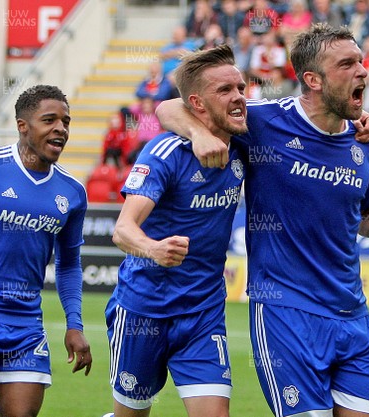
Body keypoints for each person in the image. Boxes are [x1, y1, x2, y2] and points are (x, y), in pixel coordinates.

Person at [156, 23, 369, 417]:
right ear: (312, 79)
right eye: (347, 64)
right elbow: (169, 107)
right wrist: (198, 133)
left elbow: (365, 213)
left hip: (353, 315)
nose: (363, 72)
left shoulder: (362, 142)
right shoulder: (263, 122)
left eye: (361, 62)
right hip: (285, 311)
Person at [105, 45, 248, 417]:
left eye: (241, 88)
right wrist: (153, 249)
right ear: (198, 104)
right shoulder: (165, 152)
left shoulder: (245, 138)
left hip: (203, 311)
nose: (239, 98)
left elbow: (167, 107)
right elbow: (122, 230)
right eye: (226, 91)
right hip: (142, 309)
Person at [0, 85, 92, 417]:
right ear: (23, 125)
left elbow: (69, 264)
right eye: (49, 120)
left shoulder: (72, 192)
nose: (61, 129)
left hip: (25, 325)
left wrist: (75, 324)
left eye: (66, 122)